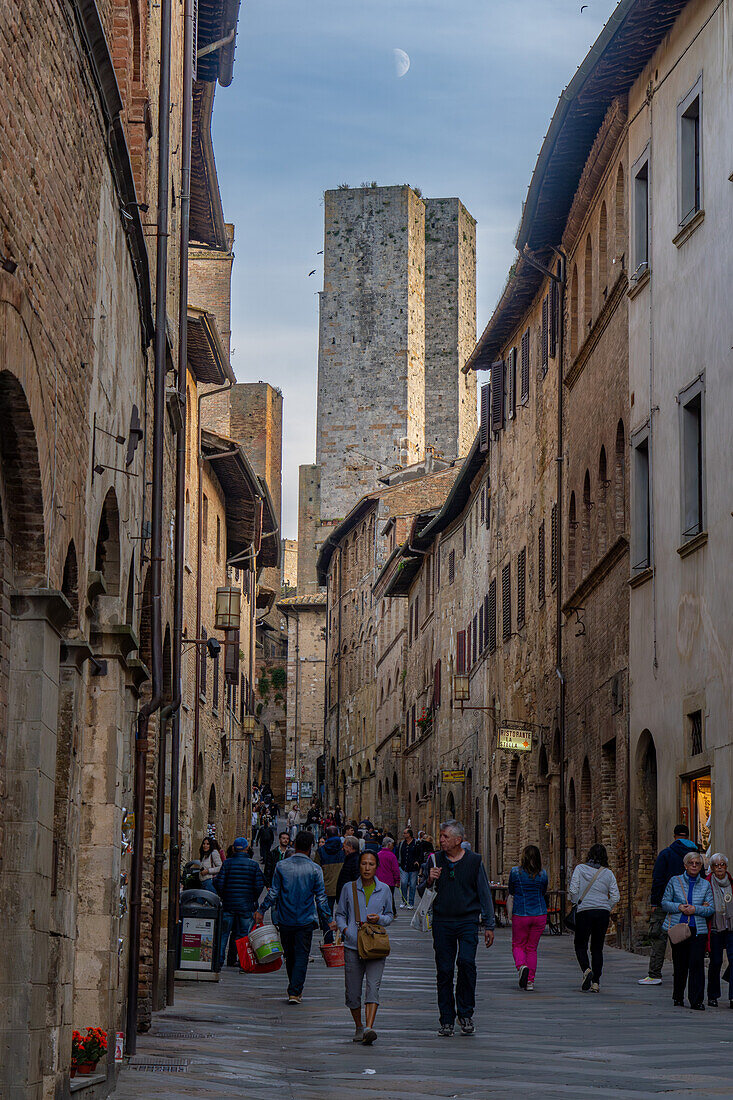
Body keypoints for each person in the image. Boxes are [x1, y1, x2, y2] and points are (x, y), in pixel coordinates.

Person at [425, 820, 495, 1037]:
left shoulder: (474, 862)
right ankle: (446, 1018)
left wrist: (489, 924)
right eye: (441, 836)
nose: (441, 840)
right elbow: (422, 892)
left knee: (466, 963)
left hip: (467, 921)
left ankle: (465, 1012)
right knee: (444, 970)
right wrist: (429, 879)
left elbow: (484, 892)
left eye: (445, 836)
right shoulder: (434, 859)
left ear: (458, 840)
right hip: (442, 922)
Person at [256, 830, 335, 1004]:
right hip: (305, 919)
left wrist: (261, 910)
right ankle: (295, 990)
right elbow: (321, 898)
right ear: (311, 847)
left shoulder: (282, 866)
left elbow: (273, 893)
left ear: (295, 844)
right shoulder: (315, 869)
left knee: (290, 955)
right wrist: (328, 919)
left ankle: (294, 986)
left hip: (285, 918)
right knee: (301, 954)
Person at [335, 849, 394, 1045]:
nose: (367, 868)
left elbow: (390, 914)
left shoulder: (384, 889)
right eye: (364, 864)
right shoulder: (348, 888)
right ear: (359, 865)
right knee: (352, 992)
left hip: (375, 945)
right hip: (353, 945)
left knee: (373, 987)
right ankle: (359, 1025)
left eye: (371, 864)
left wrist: (380, 919)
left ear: (376, 867)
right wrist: (345, 930)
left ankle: (369, 1027)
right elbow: (340, 913)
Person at [638, 823, 700, 986]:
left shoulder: (666, 854)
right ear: (688, 836)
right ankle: (681, 972)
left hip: (666, 903)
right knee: (685, 938)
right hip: (689, 904)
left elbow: (658, 879)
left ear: (674, 836)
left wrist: (654, 901)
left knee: (659, 937)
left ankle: (655, 974)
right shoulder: (696, 857)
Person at [662, 849, 714, 1009]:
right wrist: (679, 907)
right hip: (678, 929)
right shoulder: (674, 881)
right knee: (680, 964)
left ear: (701, 866)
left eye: (697, 863)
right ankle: (678, 996)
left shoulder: (705, 884)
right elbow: (665, 903)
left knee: (697, 965)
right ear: (685, 865)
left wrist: (695, 909)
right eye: (691, 863)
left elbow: (711, 908)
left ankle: (696, 1000)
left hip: (698, 931)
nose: (694, 865)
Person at [568, 843, 620, 993]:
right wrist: (606, 906)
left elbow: (573, 890)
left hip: (584, 911)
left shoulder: (580, 869)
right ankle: (596, 982)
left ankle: (586, 969)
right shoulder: (608, 873)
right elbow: (616, 896)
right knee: (597, 948)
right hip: (602, 913)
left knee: (580, 944)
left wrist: (577, 902)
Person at [213, 837, 265, 969]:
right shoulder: (253, 865)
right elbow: (259, 885)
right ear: (247, 848)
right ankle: (243, 963)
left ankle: (218, 961)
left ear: (234, 848)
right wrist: (252, 898)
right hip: (246, 905)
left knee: (224, 934)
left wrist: (224, 895)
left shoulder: (227, 864)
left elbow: (219, 882)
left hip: (229, 904)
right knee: (243, 935)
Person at [508, 845, 548, 990]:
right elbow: (543, 891)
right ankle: (530, 981)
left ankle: (521, 966)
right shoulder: (543, 874)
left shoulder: (515, 872)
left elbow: (511, 891)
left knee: (518, 945)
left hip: (521, 913)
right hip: (539, 914)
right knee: (532, 948)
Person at [706, 853, 733, 1007]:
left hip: (731, 928)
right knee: (715, 962)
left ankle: (732, 997)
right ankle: (713, 995)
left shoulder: (731, 882)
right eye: (716, 865)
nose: (720, 868)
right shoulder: (707, 883)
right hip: (715, 927)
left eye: (722, 864)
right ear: (712, 867)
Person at [313, 825, 345, 912]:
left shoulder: (321, 851)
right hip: (341, 887)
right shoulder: (344, 850)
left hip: (326, 887)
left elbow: (316, 870)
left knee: (326, 913)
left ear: (327, 836)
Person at [397, 827, 420, 910]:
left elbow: (420, 853)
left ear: (409, 834)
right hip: (404, 867)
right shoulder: (402, 843)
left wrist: (417, 861)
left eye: (405, 833)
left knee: (413, 885)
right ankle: (404, 901)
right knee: (403, 883)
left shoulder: (416, 843)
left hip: (413, 868)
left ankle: (411, 902)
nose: (403, 834)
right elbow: (399, 853)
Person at [376, 837, 401, 913]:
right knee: (390, 897)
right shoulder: (392, 856)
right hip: (389, 881)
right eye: (392, 845)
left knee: (379, 897)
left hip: (379, 880)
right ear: (389, 844)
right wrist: (397, 880)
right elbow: (395, 869)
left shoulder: (377, 855)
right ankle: (391, 912)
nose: (393, 846)